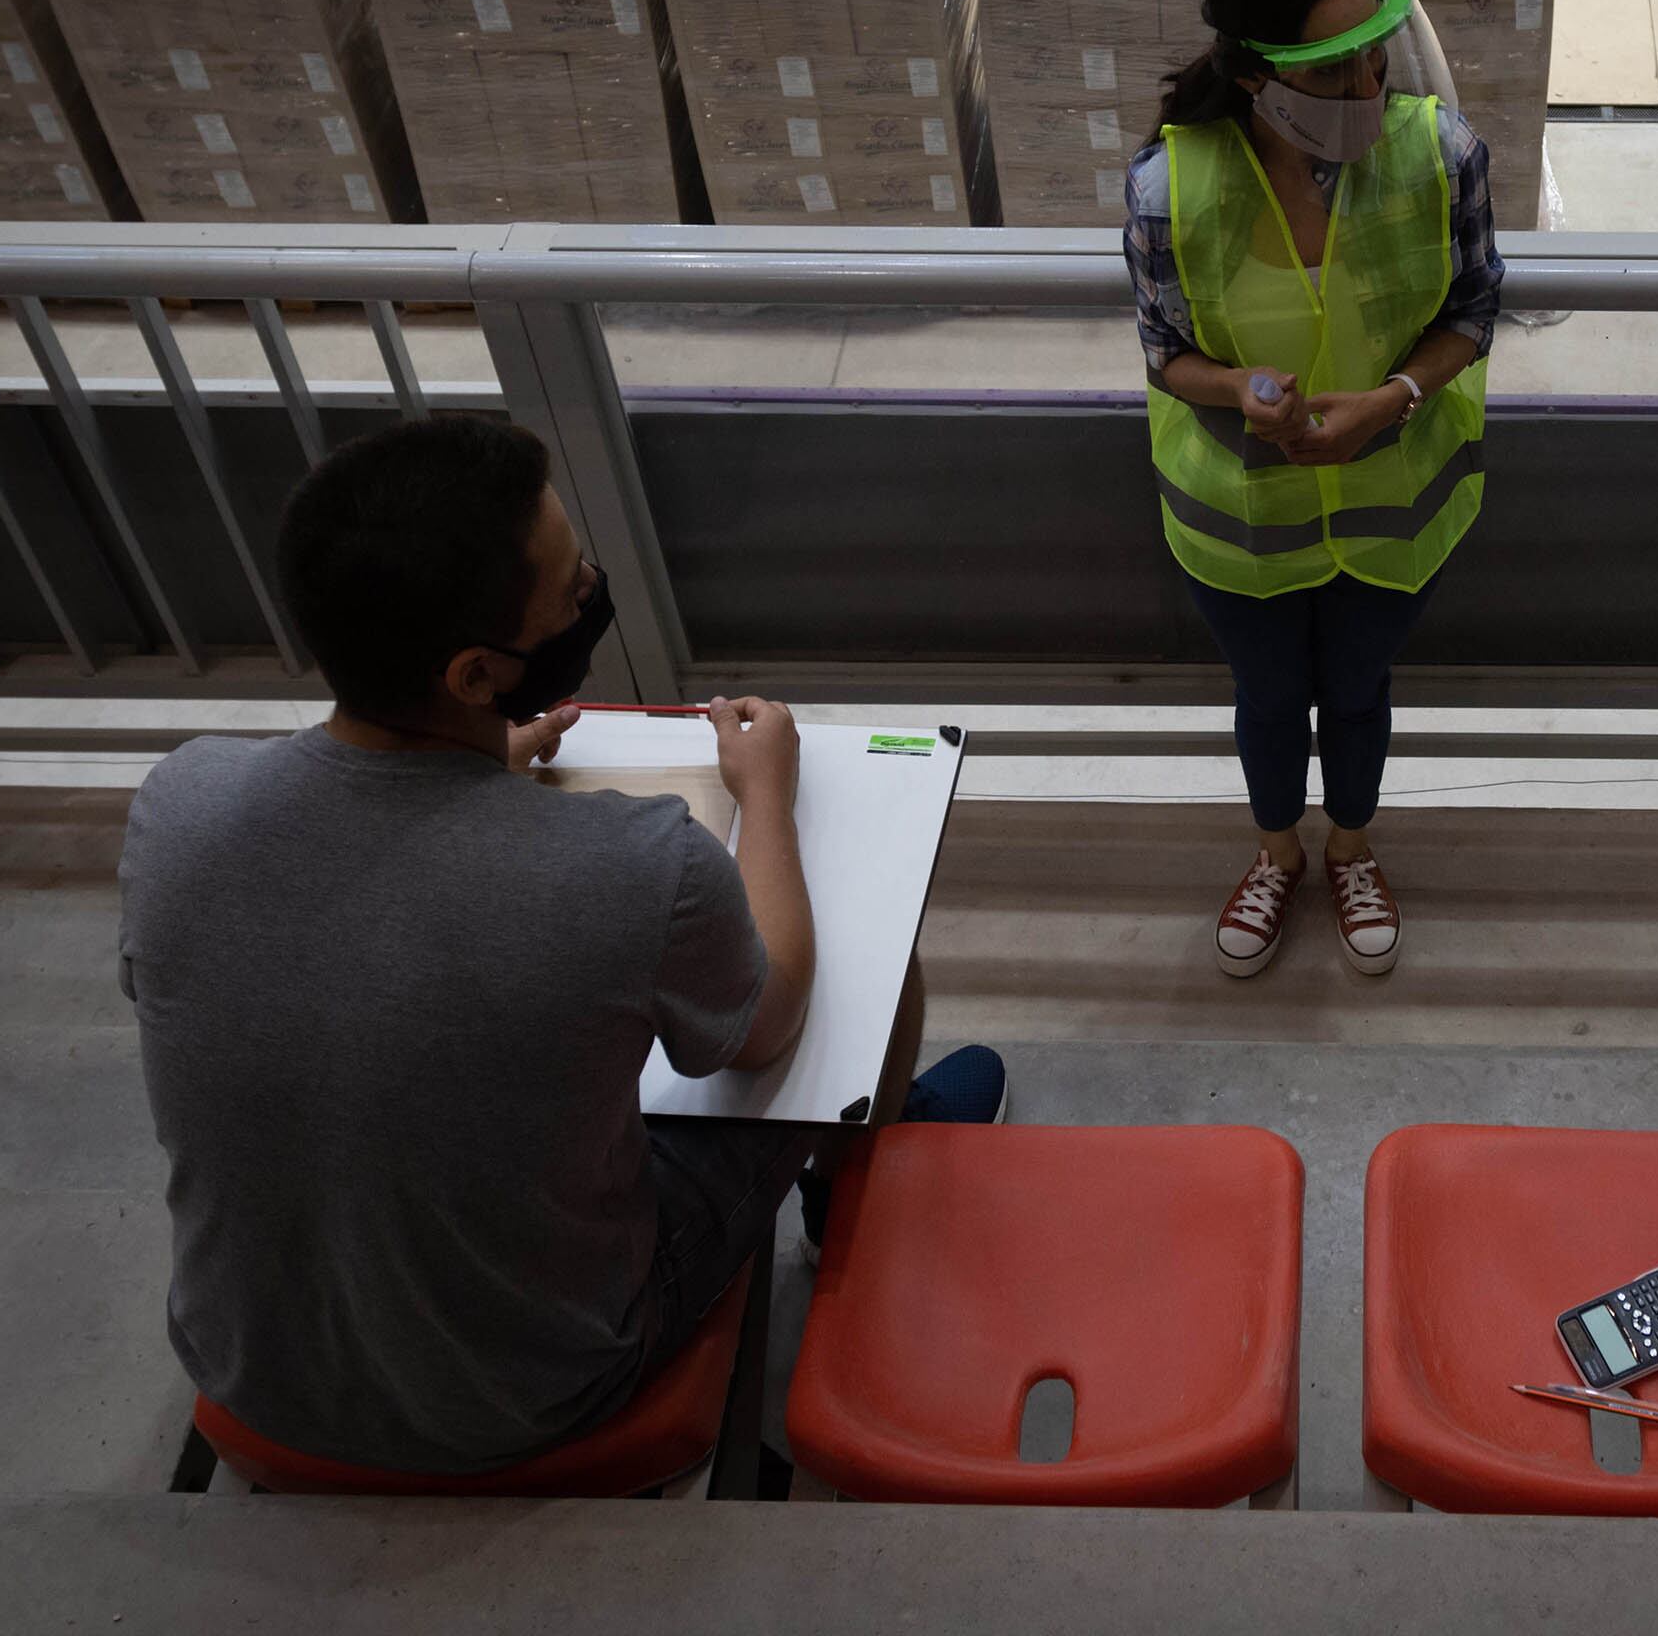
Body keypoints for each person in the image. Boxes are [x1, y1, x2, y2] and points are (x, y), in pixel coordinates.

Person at [117, 414, 1004, 1476]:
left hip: (250, 1366)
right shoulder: (636, 862)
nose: (591, 581)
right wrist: (767, 797)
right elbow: (763, 1025)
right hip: (535, 1384)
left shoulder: (180, 801)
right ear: (476, 676)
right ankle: (847, 1195)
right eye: (571, 585)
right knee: (864, 953)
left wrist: (485, 759)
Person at [1124, 0, 1504, 979]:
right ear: (1254, 75)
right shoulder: (1171, 187)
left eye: (1373, 61)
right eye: (1333, 76)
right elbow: (1164, 349)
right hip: (1242, 514)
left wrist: (1391, 397)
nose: (1369, 95)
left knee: (1357, 690)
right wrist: (1242, 389)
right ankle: (1275, 849)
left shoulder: (1443, 155)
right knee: (1266, 696)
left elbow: (1474, 306)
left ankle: (1351, 846)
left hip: (1396, 506)